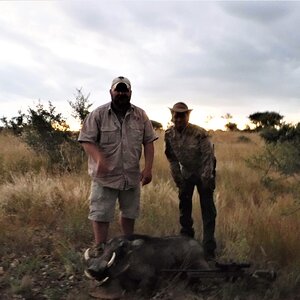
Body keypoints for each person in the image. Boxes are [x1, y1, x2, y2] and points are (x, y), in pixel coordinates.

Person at [78, 76, 158, 258]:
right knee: (100, 213)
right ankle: (100, 249)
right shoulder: (98, 114)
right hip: (104, 177)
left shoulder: (140, 115)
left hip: (131, 176)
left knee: (129, 212)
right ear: (111, 92)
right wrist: (99, 159)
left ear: (130, 93)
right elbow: (86, 140)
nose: (121, 93)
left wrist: (148, 169)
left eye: (125, 90)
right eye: (118, 90)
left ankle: (127, 246)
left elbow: (149, 142)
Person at [164, 102, 217, 260]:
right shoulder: (169, 134)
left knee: (207, 209)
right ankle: (186, 241)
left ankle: (208, 248)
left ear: (188, 116)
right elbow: (171, 157)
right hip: (186, 172)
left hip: (204, 172)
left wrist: (207, 176)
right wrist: (177, 176)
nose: (179, 118)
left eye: (182, 115)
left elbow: (208, 157)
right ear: (172, 116)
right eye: (176, 115)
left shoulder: (199, 133)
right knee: (184, 206)